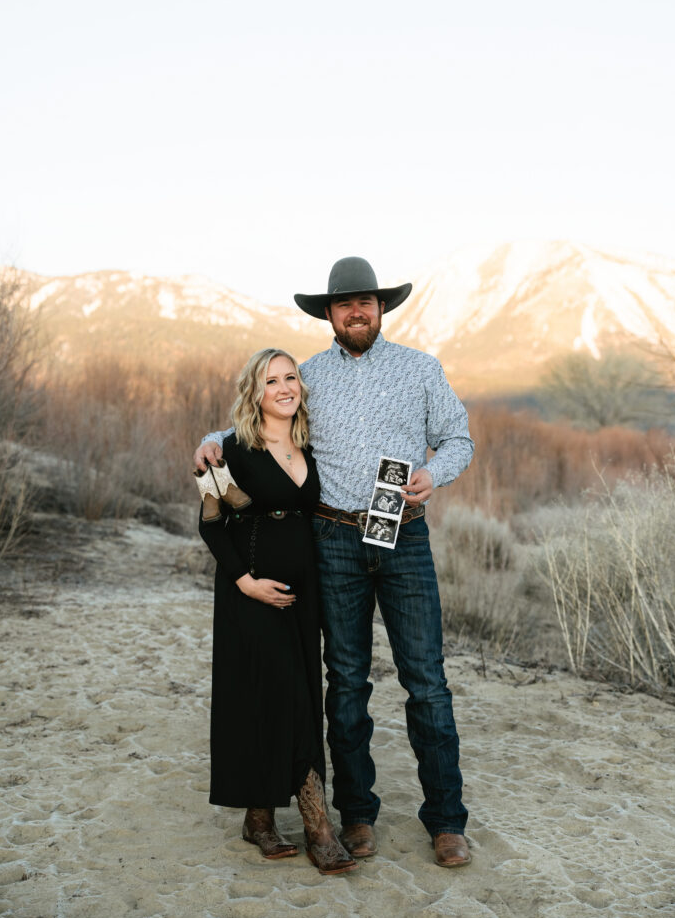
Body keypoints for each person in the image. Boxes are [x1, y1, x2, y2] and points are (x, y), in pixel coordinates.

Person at [194, 258, 475, 869]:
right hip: (335, 542)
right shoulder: (311, 376)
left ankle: (447, 821)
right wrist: (211, 440)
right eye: (345, 304)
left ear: (381, 308)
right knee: (345, 683)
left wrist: (435, 473)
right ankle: (358, 815)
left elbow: (459, 437)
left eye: (366, 302)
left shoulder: (420, 369)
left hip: (403, 535)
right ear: (329, 313)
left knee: (426, 681)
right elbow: (265, 416)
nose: (356, 312)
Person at [197, 347, 357, 876]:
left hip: (302, 593)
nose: (285, 387)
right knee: (274, 695)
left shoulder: (310, 443)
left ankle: (259, 818)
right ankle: (318, 827)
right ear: (255, 391)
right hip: (252, 591)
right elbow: (210, 521)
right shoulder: (231, 450)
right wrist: (246, 583)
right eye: (272, 381)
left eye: (291, 377)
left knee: (298, 693)